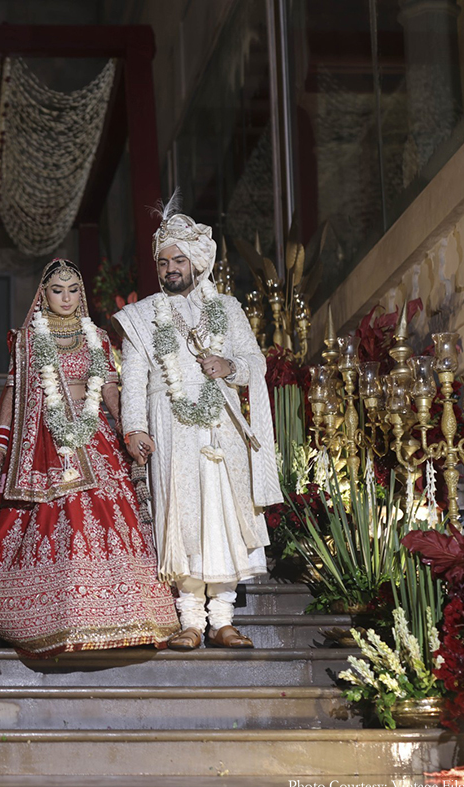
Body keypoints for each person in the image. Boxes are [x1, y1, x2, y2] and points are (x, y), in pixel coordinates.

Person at [0, 259, 179, 657]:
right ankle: (56, 615)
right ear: (43, 295)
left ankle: (125, 613)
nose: (65, 297)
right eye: (57, 290)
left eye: (73, 290)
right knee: (59, 512)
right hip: (43, 436)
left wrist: (130, 429)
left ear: (81, 295)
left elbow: (110, 390)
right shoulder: (27, 341)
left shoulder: (96, 336)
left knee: (108, 510)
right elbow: (13, 395)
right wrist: (1, 444)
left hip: (93, 432)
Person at [113, 195, 282, 650]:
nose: (170, 268)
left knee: (221, 518)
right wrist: (135, 427)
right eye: (163, 261)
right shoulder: (142, 316)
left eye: (179, 260)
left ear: (197, 262)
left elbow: (256, 363)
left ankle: (222, 620)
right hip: (170, 429)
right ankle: (188, 621)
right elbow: (132, 378)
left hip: (221, 431)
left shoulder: (227, 309)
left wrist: (229, 367)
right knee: (180, 518)